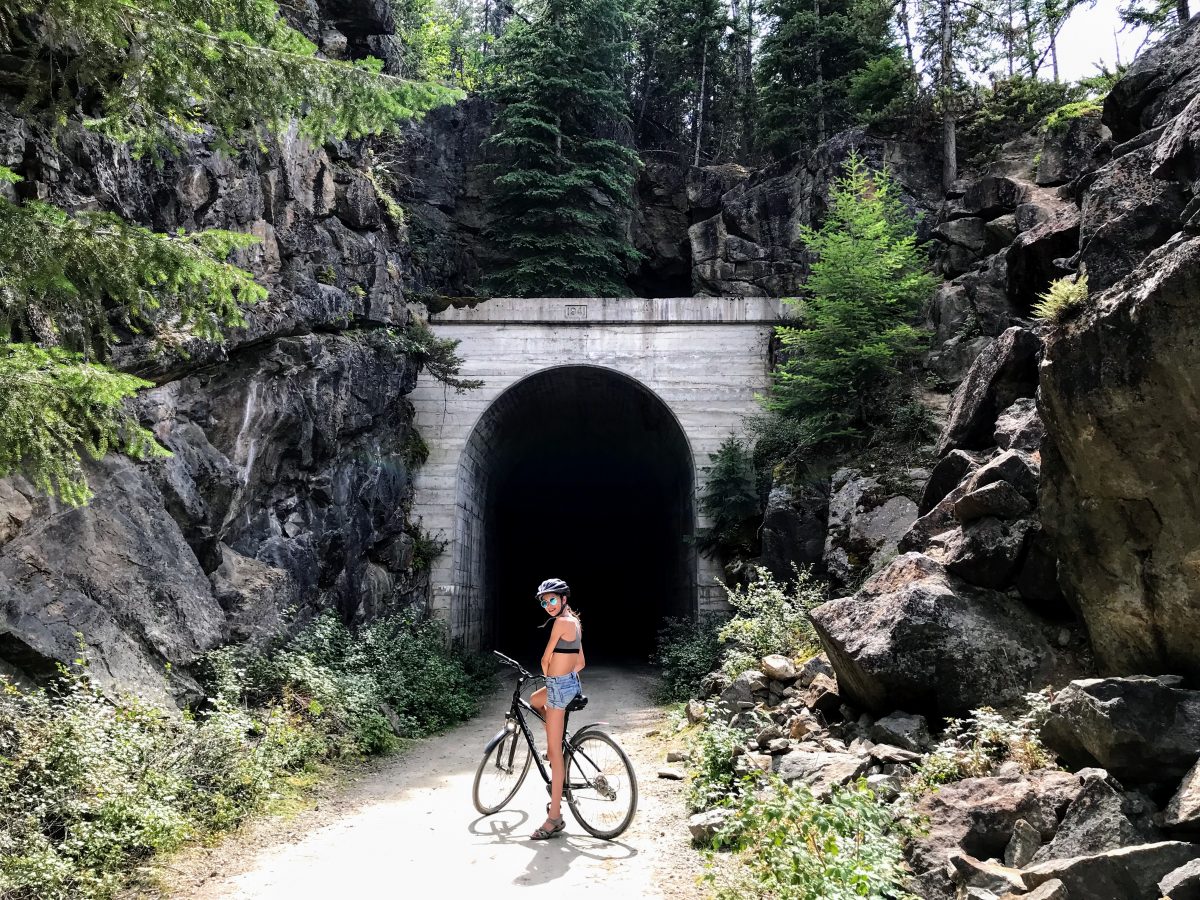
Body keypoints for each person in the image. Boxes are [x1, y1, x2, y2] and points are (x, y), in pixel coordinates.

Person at [528, 577, 585, 840]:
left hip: (558, 689)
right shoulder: (575, 623)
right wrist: (562, 677)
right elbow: (581, 662)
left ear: (563, 600)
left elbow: (544, 658)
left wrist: (552, 679)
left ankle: (554, 818)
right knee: (534, 701)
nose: (548, 605)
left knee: (555, 753)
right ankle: (554, 740)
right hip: (571, 684)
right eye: (544, 601)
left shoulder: (560, 622)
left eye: (552, 600)